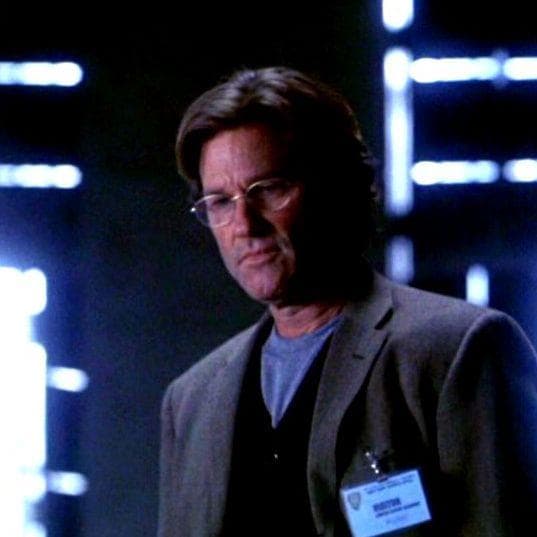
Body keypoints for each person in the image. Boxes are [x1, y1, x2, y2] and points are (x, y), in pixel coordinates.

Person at [158, 66, 537, 537]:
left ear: (336, 186)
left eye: (269, 189)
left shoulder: (455, 352)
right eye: (220, 201)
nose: (244, 225)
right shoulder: (191, 401)